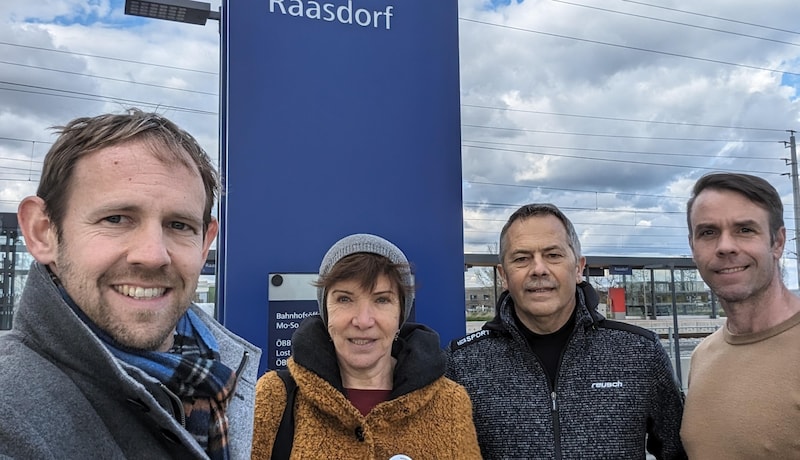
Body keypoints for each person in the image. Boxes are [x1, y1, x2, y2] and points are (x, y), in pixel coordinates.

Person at [0, 109, 262, 459]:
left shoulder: (217, 377)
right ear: (42, 232)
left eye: (179, 225)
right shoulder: (11, 415)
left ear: (205, 243)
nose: (153, 255)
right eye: (117, 218)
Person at [447, 203, 687, 459]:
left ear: (578, 268)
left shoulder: (640, 353)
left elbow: (678, 451)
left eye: (553, 255)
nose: (539, 269)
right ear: (504, 276)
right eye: (521, 258)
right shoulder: (462, 365)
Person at [251, 233, 481, 459]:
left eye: (381, 300)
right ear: (325, 311)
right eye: (344, 299)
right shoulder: (274, 397)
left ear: (401, 313)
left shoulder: (450, 404)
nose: (363, 321)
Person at [681, 172, 800, 458]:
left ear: (777, 242)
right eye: (708, 232)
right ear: (692, 246)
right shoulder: (703, 355)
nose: (725, 247)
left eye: (745, 229)